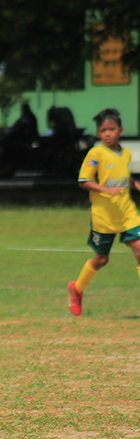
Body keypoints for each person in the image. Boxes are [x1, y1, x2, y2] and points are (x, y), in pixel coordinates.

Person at [67, 107, 140, 316]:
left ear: (120, 130)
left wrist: (135, 184)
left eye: (111, 129)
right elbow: (84, 181)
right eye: (103, 130)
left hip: (127, 213)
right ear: (99, 133)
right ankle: (76, 288)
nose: (107, 134)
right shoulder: (96, 153)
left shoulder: (125, 153)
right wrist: (106, 190)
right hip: (104, 217)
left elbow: (123, 176)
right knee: (101, 259)